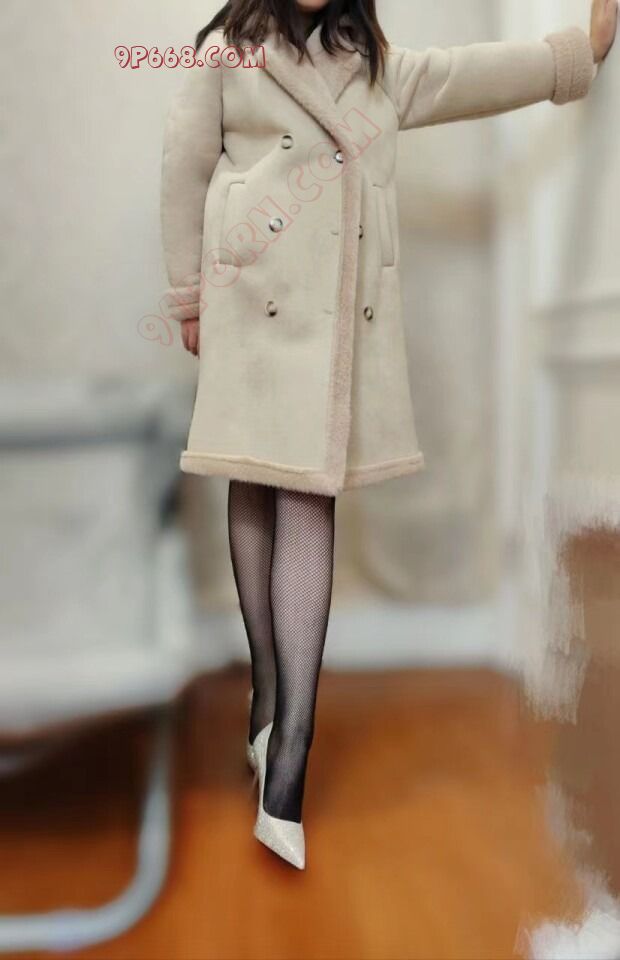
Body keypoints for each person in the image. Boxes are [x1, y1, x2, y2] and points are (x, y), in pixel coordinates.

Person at [160, 0, 617, 870]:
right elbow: (182, 169)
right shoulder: (227, 50)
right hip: (250, 303)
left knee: (307, 492)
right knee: (253, 475)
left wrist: (579, 52)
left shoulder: (370, 63)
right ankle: (267, 692)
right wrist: (188, 295)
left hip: (330, 321)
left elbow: (468, 76)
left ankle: (290, 753)